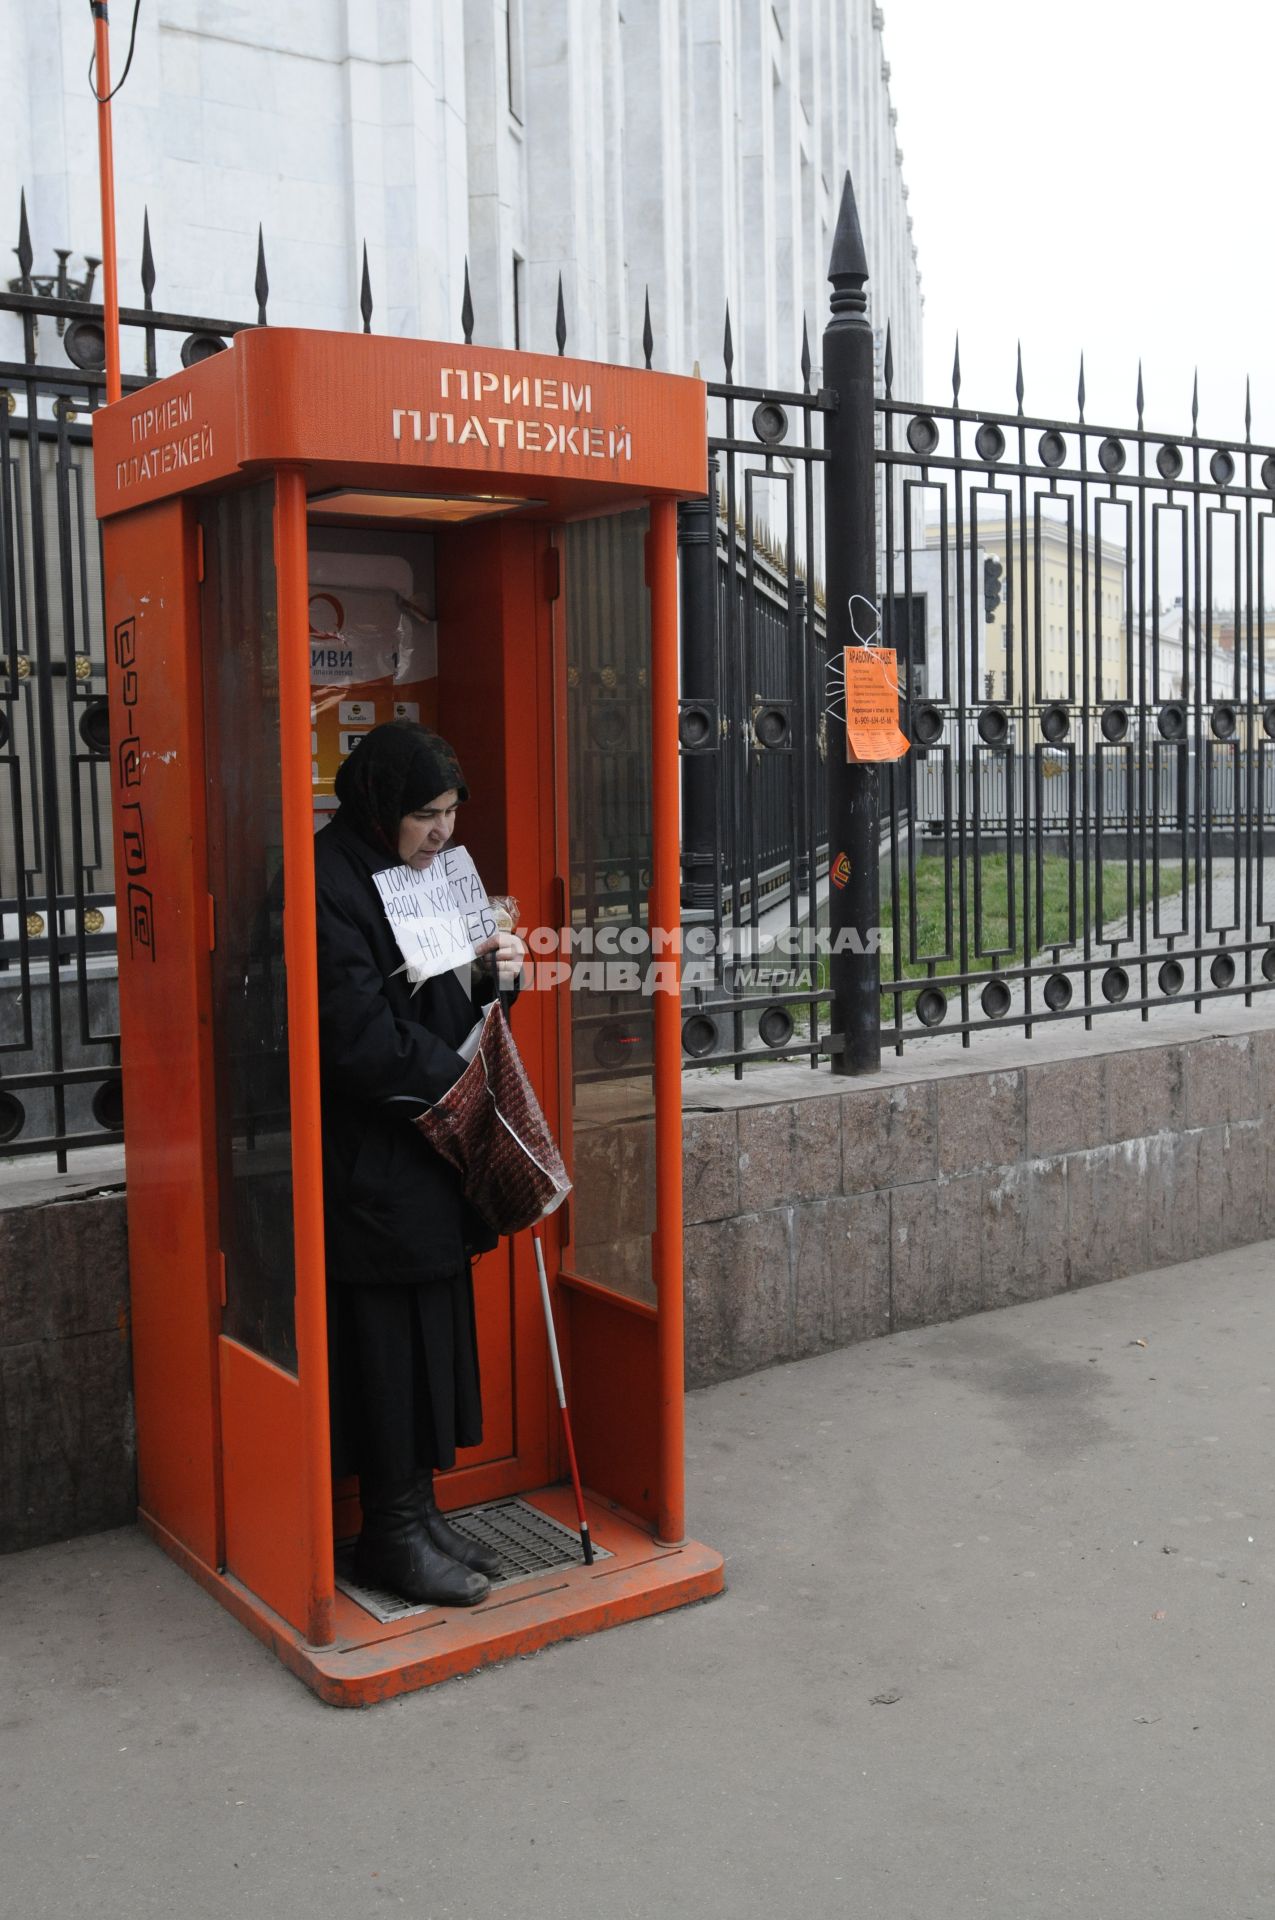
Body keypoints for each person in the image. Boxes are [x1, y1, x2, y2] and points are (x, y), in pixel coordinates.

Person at [314, 720, 525, 1607]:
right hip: (373, 1157)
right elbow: (356, 1038)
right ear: (378, 805)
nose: (441, 832)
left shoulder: (416, 875)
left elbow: (440, 995)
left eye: (448, 813)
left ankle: (419, 1511)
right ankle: (388, 1532)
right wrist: (456, 1083)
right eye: (425, 815)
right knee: (387, 1347)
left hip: (426, 1145)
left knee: (429, 1327)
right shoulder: (329, 884)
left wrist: (492, 978)